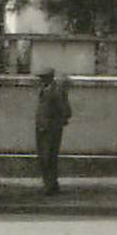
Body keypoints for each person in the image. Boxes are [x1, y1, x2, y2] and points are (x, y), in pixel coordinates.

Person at [34, 66, 72, 195]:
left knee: (48, 157)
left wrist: (56, 123)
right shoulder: (45, 90)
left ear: (49, 78)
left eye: (43, 78)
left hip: (51, 129)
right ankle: (50, 184)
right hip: (42, 127)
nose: (40, 81)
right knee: (44, 157)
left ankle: (50, 185)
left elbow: (65, 111)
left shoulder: (55, 91)